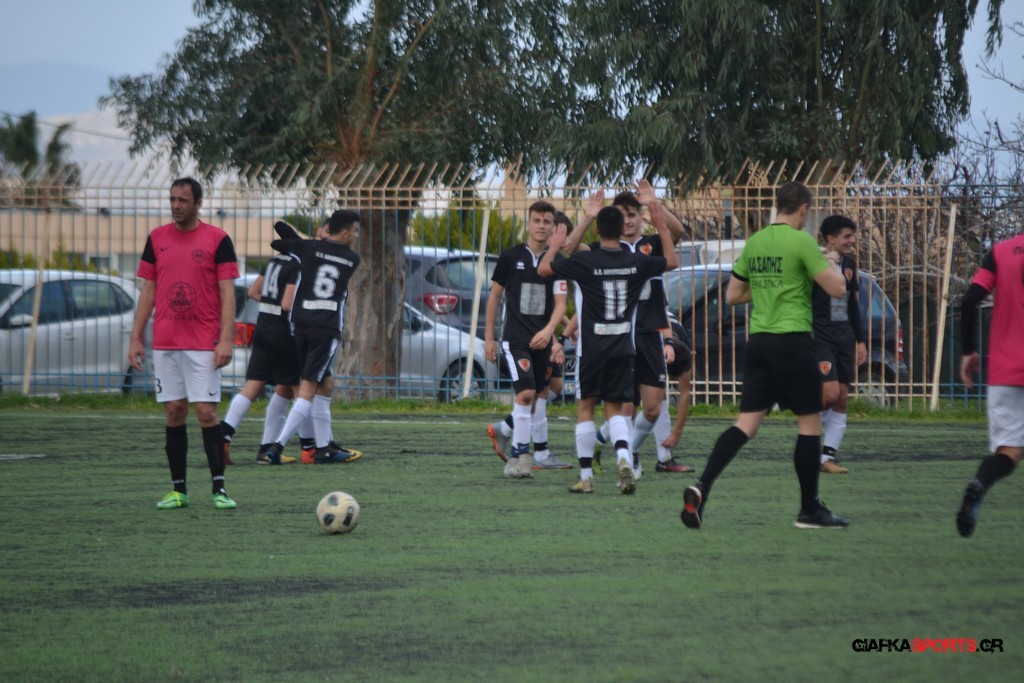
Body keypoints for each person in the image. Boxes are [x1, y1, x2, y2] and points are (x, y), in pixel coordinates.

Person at [680, 181, 850, 529]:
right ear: (804, 209)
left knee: (745, 424)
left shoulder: (756, 241)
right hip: (793, 340)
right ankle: (809, 510)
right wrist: (829, 262)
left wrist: (769, 287)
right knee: (809, 424)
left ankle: (702, 486)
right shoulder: (802, 242)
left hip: (759, 343)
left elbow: (732, 295)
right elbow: (838, 289)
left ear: (777, 205)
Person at [539, 201, 677, 494]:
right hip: (623, 348)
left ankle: (586, 477)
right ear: (621, 230)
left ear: (597, 231)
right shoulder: (637, 262)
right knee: (616, 411)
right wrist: (661, 227)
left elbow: (544, 269)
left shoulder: (586, 261)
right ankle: (624, 459)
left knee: (586, 409)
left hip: (592, 349)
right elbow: (672, 262)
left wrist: (557, 244)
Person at [565, 180, 692, 477]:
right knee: (624, 406)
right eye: (623, 215)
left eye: (633, 214)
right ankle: (628, 456)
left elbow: (677, 232)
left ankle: (607, 442)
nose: (629, 220)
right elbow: (571, 249)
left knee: (653, 408)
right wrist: (589, 218)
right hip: (621, 334)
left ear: (639, 217)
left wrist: (654, 202)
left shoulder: (653, 244)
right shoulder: (605, 248)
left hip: (649, 332)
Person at [128, 177, 240, 511]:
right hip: (166, 342)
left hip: (203, 342)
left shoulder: (218, 240)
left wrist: (225, 340)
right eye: (172, 199)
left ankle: (219, 489)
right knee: (174, 410)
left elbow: (227, 294)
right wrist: (136, 337)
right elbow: (148, 290)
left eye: (183, 200)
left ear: (198, 204)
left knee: (205, 411)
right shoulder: (157, 238)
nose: (176, 205)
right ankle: (178, 491)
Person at [262, 211, 364, 464]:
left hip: (300, 326)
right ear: (344, 233)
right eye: (354, 231)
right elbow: (315, 249)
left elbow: (279, 242)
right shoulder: (352, 258)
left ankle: (324, 446)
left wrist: (299, 241)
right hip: (325, 328)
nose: (356, 236)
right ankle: (276, 447)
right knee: (308, 389)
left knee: (325, 384)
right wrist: (303, 242)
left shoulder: (309, 249)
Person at [484, 200, 568, 478]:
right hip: (515, 339)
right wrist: (489, 339)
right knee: (526, 394)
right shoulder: (510, 257)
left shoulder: (557, 262)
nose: (542, 226)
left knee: (538, 395)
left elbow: (560, 304)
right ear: (528, 223)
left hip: (542, 342)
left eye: (547, 222)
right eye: (537, 221)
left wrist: (549, 333)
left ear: (553, 226)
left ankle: (519, 448)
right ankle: (518, 459)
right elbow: (494, 297)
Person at [955, 231, 1024, 537]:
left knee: (1008, 452)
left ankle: (980, 484)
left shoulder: (1002, 251)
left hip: (1006, 369)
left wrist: (969, 351)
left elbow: (970, 301)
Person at [219, 247, 316, 465]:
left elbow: (253, 292)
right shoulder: (296, 266)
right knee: (301, 391)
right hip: (284, 332)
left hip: (262, 328)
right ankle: (309, 449)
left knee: (255, 386)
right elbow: (287, 304)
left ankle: (226, 435)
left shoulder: (274, 262)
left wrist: (270, 304)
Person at [813, 215, 867, 474]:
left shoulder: (850, 264)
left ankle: (827, 457)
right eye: (847, 236)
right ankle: (809, 431)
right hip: (820, 337)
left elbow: (853, 305)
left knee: (842, 397)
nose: (852, 240)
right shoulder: (814, 262)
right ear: (830, 239)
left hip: (844, 338)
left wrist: (861, 340)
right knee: (830, 394)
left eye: (852, 235)